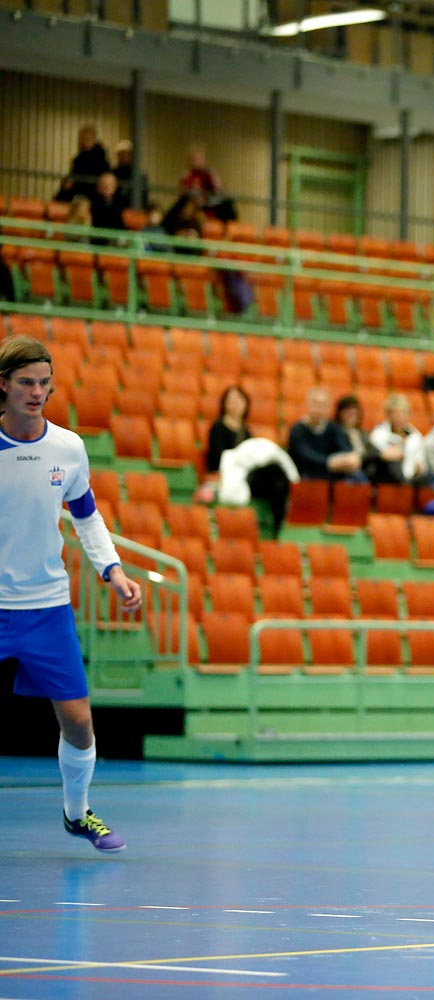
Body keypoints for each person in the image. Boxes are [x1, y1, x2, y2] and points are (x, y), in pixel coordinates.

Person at [1, 336, 143, 853]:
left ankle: (77, 813)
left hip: (47, 608)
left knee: (79, 721)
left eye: (44, 383)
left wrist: (113, 570)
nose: (37, 392)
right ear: (4, 386)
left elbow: (85, 515)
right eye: (26, 383)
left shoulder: (68, 447)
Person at [287, 386, 363, 481]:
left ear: (328, 407)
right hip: (306, 474)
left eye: (323, 405)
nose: (319, 409)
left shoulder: (334, 428)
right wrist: (329, 462)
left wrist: (348, 459)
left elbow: (344, 448)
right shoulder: (297, 430)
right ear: (308, 405)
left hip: (332, 473)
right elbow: (305, 456)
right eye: (316, 404)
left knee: (356, 476)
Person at [368, 393, 428, 485]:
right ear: (388, 415)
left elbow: (421, 461)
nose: (399, 418)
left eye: (403, 414)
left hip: (411, 478)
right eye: (395, 414)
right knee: (394, 463)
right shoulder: (379, 433)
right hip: (385, 476)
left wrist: (419, 468)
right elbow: (378, 455)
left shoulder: (415, 436)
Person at [179, 143, 235, 221]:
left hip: (208, 202)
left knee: (227, 204)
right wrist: (194, 198)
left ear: (203, 160)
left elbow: (220, 190)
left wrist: (205, 198)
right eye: (192, 159)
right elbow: (184, 191)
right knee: (179, 206)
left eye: (197, 158)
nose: (194, 161)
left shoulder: (209, 173)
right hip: (192, 201)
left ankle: (229, 228)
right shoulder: (187, 175)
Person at [55, 125, 110, 202]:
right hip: (78, 190)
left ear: (94, 140)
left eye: (87, 139)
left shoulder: (100, 158)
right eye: (81, 139)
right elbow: (73, 174)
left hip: (92, 193)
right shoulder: (78, 158)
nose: (83, 142)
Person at [333, 394, 382, 481]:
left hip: (366, 469)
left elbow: (375, 452)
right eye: (348, 411)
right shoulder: (335, 432)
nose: (351, 414)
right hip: (346, 472)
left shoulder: (363, 434)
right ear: (340, 413)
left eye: (354, 411)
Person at [205, 384, 251, 475]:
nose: (235, 403)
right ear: (224, 404)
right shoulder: (217, 428)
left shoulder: (246, 430)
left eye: (239, 400)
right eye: (231, 400)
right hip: (221, 473)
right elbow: (217, 457)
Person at [112, 140, 150, 210]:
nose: (125, 156)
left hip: (134, 210)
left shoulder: (140, 175)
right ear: (117, 155)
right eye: (122, 154)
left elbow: (144, 197)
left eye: (128, 153)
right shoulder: (112, 173)